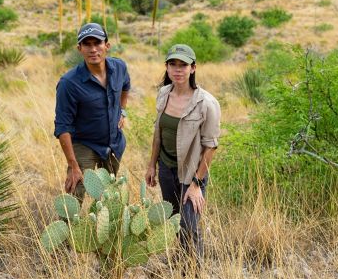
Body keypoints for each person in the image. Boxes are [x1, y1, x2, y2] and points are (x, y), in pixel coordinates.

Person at [145, 43, 221, 264]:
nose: (178, 70)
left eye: (183, 65)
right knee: (174, 221)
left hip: (191, 174)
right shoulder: (164, 94)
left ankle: (193, 278)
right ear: (167, 68)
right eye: (173, 64)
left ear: (193, 68)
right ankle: (181, 263)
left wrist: (197, 183)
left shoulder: (206, 103)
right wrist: (152, 165)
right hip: (166, 169)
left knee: (189, 225)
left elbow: (211, 146)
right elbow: (158, 133)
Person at [55, 22, 131, 200]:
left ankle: (102, 227)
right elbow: (62, 127)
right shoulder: (69, 83)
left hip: (113, 144)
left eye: (97, 43)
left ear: (107, 46)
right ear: (79, 48)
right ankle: (70, 227)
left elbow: (126, 86)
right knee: (75, 194)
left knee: (110, 198)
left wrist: (123, 111)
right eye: (87, 44)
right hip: (84, 144)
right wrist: (73, 165)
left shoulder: (119, 67)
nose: (93, 49)